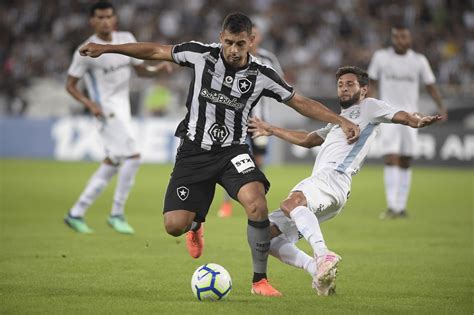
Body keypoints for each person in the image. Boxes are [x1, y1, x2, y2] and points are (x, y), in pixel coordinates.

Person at [78, 12, 360, 296]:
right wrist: (106, 48)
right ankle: (196, 224)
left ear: (251, 41)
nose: (234, 50)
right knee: (174, 226)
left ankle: (259, 280)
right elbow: (154, 50)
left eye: (240, 44)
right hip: (193, 150)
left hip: (232, 152)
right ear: (220, 39)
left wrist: (340, 121)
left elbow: (300, 102)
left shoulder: (262, 75)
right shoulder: (200, 55)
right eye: (228, 43)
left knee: (257, 203)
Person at [248, 66, 441, 296]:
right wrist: (272, 129)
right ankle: (318, 272)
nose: (344, 88)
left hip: (334, 177)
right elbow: (309, 140)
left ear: (364, 89)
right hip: (330, 186)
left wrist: (416, 120)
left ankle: (323, 254)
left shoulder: (369, 107)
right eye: (340, 84)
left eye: (350, 84)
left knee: (291, 203)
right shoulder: (337, 122)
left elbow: (403, 115)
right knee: (263, 237)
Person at [64, 1, 172, 234]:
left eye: (109, 17)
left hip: (123, 110)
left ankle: (76, 212)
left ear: (115, 19)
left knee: (113, 161)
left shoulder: (126, 38)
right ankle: (116, 213)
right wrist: (90, 104)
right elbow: (70, 85)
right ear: (92, 21)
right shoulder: (85, 50)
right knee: (133, 156)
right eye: (100, 18)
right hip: (105, 111)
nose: (105, 21)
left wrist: (157, 69)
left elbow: (139, 69)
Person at [367, 24, 447, 219]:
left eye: (404, 37)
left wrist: (441, 107)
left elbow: (430, 85)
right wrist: (369, 107)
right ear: (392, 38)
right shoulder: (381, 57)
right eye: (397, 37)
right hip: (389, 116)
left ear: (410, 39)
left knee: (405, 159)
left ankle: (401, 207)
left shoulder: (419, 60)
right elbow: (372, 83)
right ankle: (392, 206)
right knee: (391, 157)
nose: (400, 41)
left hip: (412, 117)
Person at [217, 23, 284, 218]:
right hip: (235, 119)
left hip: (259, 121)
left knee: (258, 160)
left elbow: (280, 83)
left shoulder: (268, 59)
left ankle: (256, 197)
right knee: (230, 159)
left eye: (255, 34)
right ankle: (227, 203)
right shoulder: (233, 56)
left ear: (257, 38)